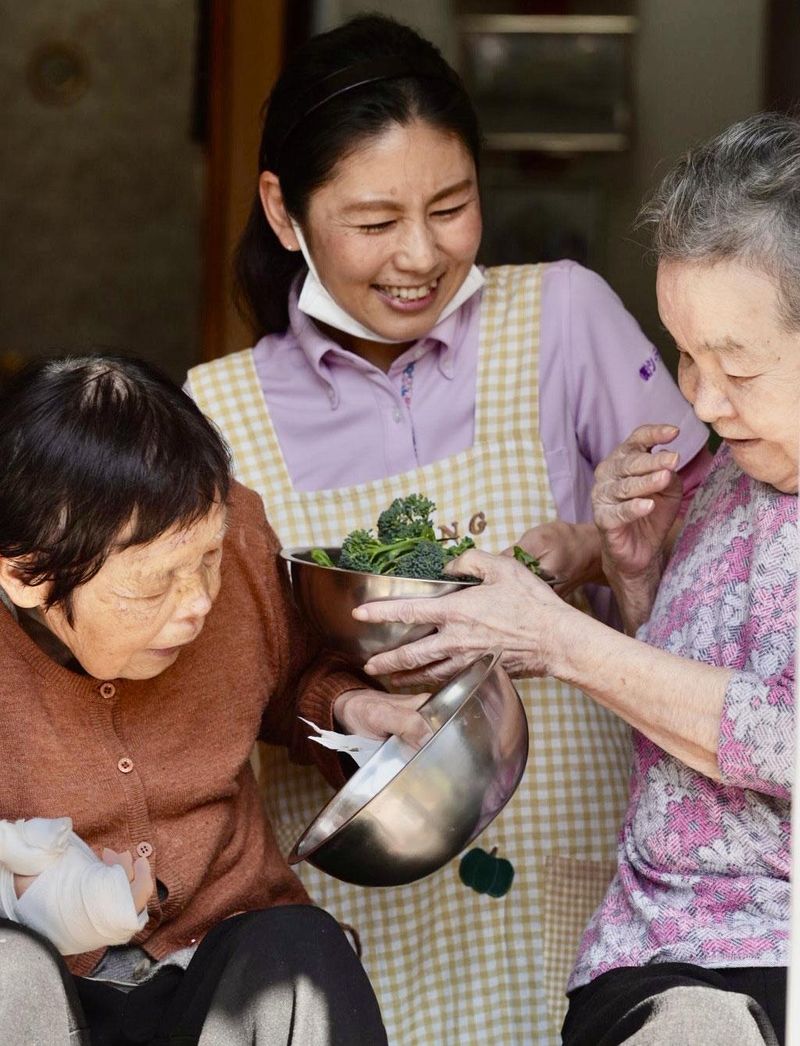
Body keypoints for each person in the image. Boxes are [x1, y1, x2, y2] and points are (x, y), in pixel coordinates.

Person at [185, 14, 713, 1043]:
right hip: (353, 912)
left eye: (452, 205)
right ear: (282, 212)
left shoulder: (562, 318)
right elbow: (213, 687)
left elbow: (725, 567)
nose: (421, 255)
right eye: (374, 221)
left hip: (583, 878)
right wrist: (335, 700)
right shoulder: (216, 414)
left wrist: (594, 546)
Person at [353, 112, 799, 1045]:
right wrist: (635, 572)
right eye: (686, 353)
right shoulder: (730, 476)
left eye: (738, 368)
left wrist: (561, 639)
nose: (703, 402)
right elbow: (680, 730)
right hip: (656, 952)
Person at [0, 354, 431, 1046]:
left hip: (230, 957)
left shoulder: (240, 539)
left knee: (300, 952)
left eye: (208, 559)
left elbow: (295, 674)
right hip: (50, 991)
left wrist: (349, 709)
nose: (199, 602)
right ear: (26, 575)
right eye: (152, 585)